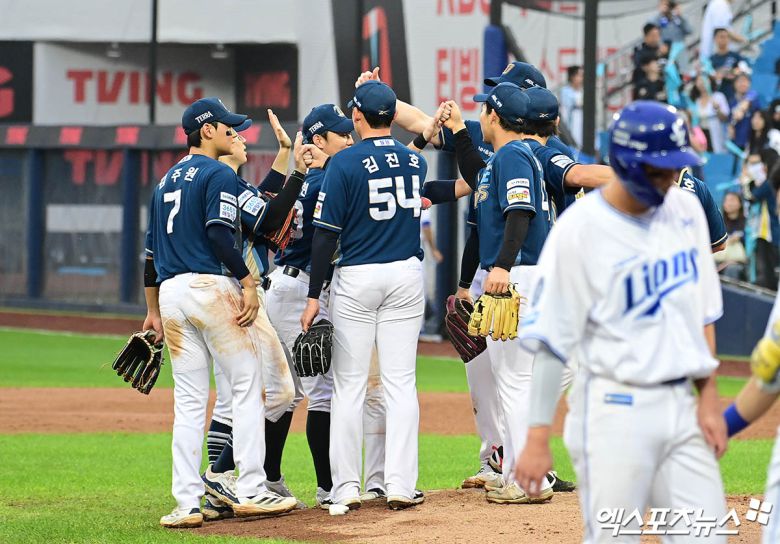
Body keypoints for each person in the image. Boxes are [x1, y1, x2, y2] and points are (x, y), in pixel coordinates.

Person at [515, 100, 728, 542]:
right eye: (661, 169)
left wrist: (708, 397)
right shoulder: (580, 229)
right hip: (613, 409)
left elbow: (702, 311)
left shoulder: (686, 211)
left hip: (680, 406)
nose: (673, 177)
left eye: (677, 166)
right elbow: (552, 339)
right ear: (626, 163)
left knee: (706, 534)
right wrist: (537, 435)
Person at [143, 97, 298, 528]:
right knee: (248, 387)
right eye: (228, 127)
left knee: (189, 402)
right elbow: (218, 234)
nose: (235, 132)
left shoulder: (164, 182)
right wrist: (247, 283)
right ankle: (250, 489)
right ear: (207, 131)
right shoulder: (217, 173)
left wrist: (152, 311)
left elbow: (151, 255)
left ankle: (186, 504)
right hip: (209, 288)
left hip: (171, 294)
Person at [301, 80, 427, 511]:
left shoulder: (343, 163)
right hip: (406, 275)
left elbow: (325, 235)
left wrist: (314, 296)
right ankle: (400, 485)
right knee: (400, 383)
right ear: (393, 116)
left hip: (358, 276)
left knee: (349, 387)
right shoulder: (415, 161)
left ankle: (346, 488)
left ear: (357, 117)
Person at [201, 115, 309, 516]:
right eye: (233, 133)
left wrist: (284, 154)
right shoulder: (225, 183)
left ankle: (218, 493)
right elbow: (267, 216)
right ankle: (223, 474)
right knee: (277, 391)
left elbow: (261, 199)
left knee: (230, 398)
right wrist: (298, 172)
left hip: (216, 295)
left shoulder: (213, 184)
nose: (242, 138)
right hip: (239, 293)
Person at [690, 73, 730, 153]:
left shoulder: (718, 96)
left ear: (710, 82)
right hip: (700, 135)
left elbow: (725, 118)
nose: (702, 83)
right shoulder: (695, 100)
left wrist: (717, 109)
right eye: (699, 81)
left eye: (704, 80)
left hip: (716, 133)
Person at [715, 191, 748, 279]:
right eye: (726, 200)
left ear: (740, 204)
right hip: (720, 259)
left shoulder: (747, 222)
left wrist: (739, 238)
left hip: (740, 261)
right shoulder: (718, 223)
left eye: (732, 200)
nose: (729, 203)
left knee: (732, 269)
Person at [710, 27, 745, 102]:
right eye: (721, 37)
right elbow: (711, 76)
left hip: (735, 96)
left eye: (727, 37)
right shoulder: (711, 60)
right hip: (718, 97)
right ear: (715, 39)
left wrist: (729, 72)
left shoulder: (736, 56)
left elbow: (743, 70)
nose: (724, 39)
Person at [728, 74, 763, 151]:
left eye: (745, 81)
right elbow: (730, 120)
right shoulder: (732, 102)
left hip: (751, 139)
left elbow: (749, 103)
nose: (743, 84)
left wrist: (741, 109)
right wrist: (730, 125)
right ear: (734, 84)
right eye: (740, 81)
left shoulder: (754, 97)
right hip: (736, 140)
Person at [559, 65, 583, 149]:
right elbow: (566, 110)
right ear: (572, 77)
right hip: (572, 122)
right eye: (579, 75)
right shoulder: (565, 91)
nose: (582, 78)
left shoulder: (583, 91)